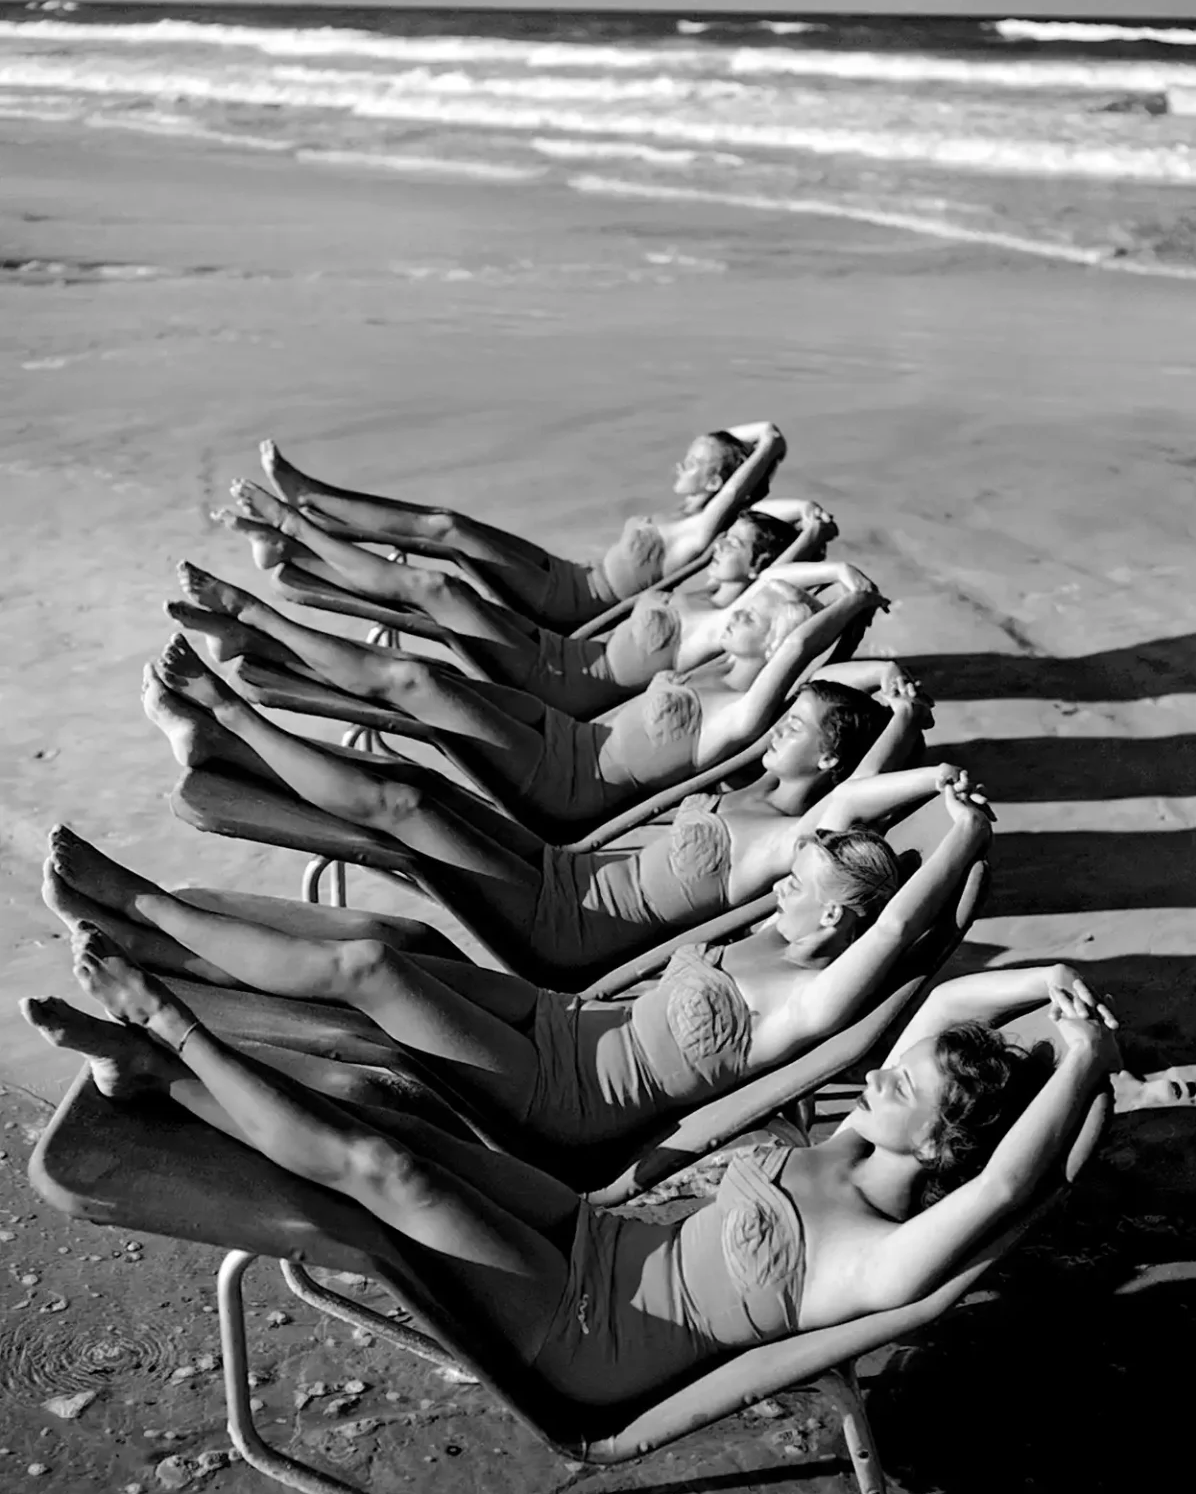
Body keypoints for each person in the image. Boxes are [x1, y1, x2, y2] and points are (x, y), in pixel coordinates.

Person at [25, 922, 1135, 1410]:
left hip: (586, 1334)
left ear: (939, 1145)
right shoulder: (850, 1146)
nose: (876, 1078)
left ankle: (164, 1026)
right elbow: (942, 1001)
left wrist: (1085, 1069)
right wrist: (1045, 989)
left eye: (902, 1088)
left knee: (390, 1172)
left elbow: (1007, 1186)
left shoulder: (881, 1258)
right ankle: (151, 1072)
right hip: (592, 1227)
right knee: (394, 1115)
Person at [38, 776, 988, 1157]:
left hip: (560, 1098)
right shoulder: (786, 934)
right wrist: (938, 792)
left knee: (370, 970)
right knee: (400, 946)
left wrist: (965, 842)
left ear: (840, 916)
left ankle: (145, 913)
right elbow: (843, 811)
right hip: (560, 1019)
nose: (777, 888)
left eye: (799, 886)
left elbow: (905, 927)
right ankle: (162, 941)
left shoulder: (812, 1000)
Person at [148, 599, 926, 981]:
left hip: (570, 926)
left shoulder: (790, 841)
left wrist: (905, 730)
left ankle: (231, 714)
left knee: (405, 806)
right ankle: (224, 742)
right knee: (415, 781)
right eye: (788, 719)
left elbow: (836, 742)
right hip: (563, 869)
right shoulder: (753, 781)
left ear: (832, 760)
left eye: (800, 729)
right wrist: (881, 683)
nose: (780, 728)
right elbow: (805, 673)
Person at [150, 557, 886, 839]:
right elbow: (772, 590)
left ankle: (251, 630)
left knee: (415, 684)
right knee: (417, 679)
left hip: (568, 782)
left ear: (777, 646)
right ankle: (255, 643)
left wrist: (850, 606)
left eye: (755, 619)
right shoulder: (720, 665)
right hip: (557, 731)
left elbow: (800, 647)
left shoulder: (744, 716)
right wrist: (832, 573)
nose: (740, 613)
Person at [211, 503, 839, 719]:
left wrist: (834, 571)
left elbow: (781, 595)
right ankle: (295, 546)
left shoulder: (719, 630)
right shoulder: (705, 594)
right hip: (559, 647)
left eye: (736, 546)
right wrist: (807, 524)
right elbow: (757, 505)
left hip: (565, 682)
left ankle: (294, 538)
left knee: (437, 590)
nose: (721, 545)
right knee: (440, 574)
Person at [226, 424, 788, 631]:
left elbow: (757, 455)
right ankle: (306, 513)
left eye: (694, 463)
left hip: (572, 602)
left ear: (720, 482)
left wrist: (768, 447)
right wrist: (758, 440)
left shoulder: (699, 533)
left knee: (445, 529)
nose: (679, 466)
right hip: (568, 573)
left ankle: (304, 511)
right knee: (452, 522)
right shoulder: (688, 516)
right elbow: (750, 439)